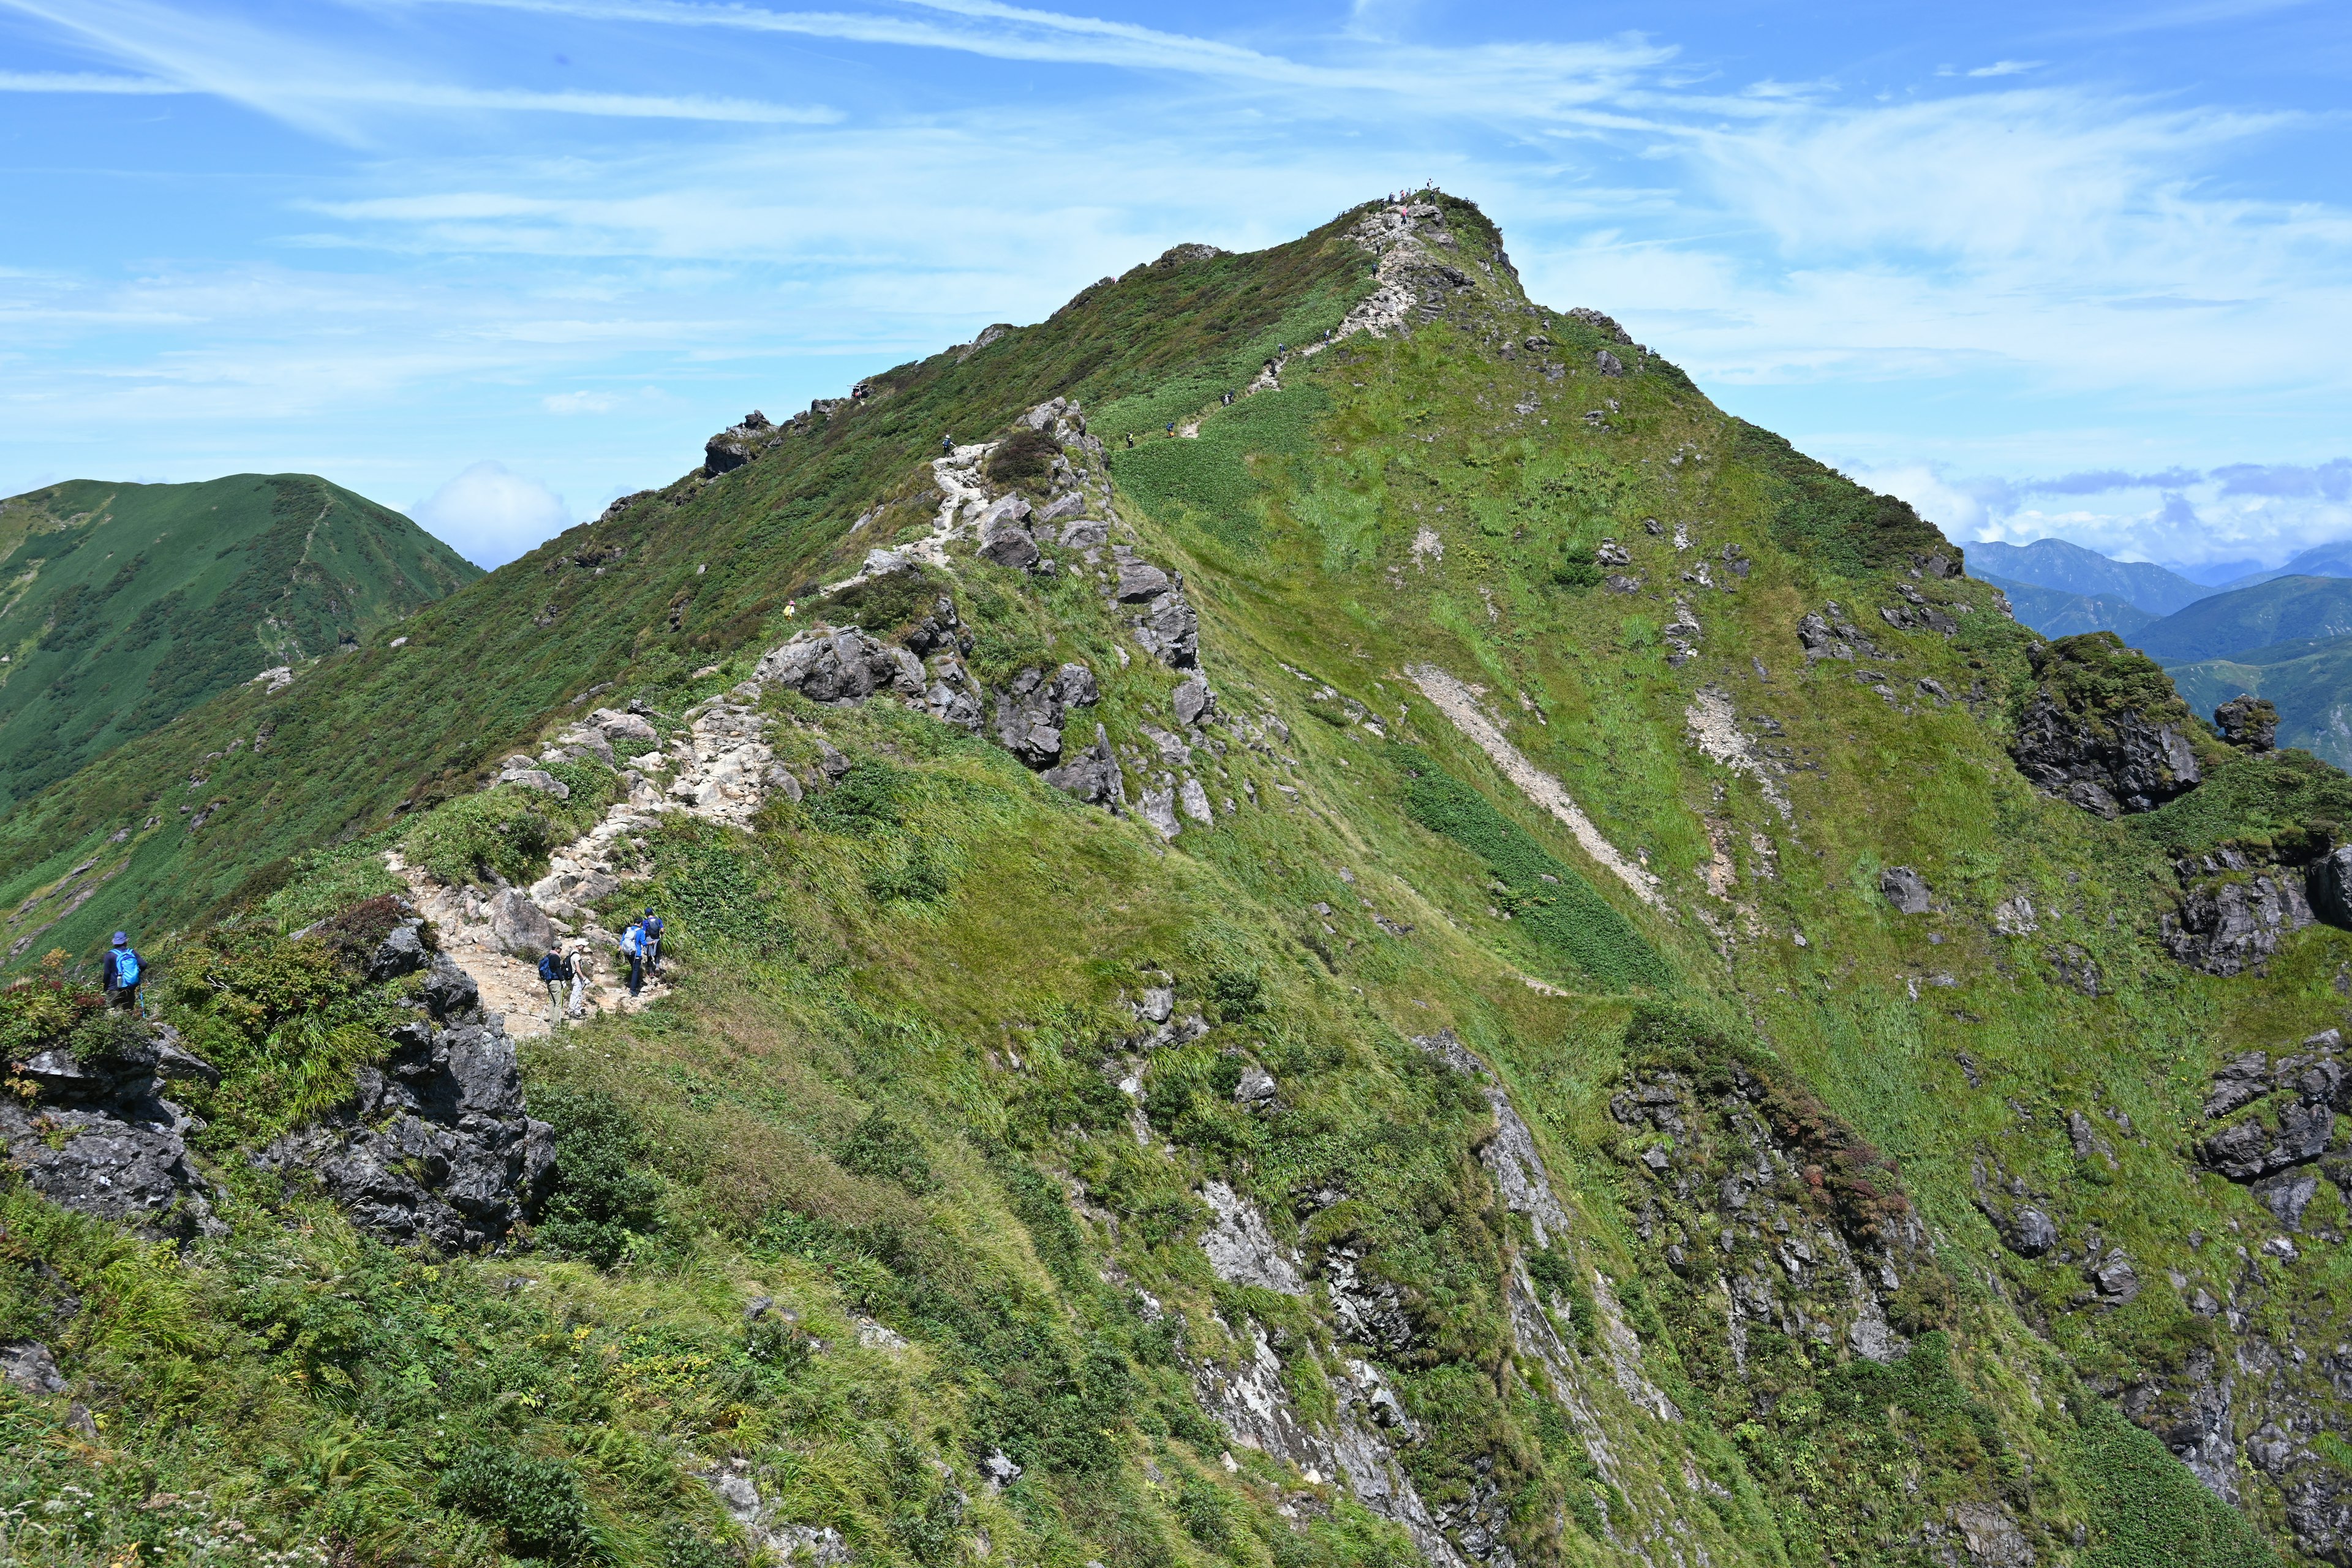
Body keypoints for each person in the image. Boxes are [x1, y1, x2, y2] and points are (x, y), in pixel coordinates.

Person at [101, 932, 143, 1012]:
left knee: (110, 1013)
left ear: (114, 942)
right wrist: (137, 973)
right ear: (126, 941)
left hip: (114, 989)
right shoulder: (132, 952)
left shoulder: (110, 955)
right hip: (129, 988)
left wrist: (105, 986)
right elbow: (144, 964)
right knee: (129, 1012)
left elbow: (107, 973)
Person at [537, 947, 572, 1023]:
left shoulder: (548, 956)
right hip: (556, 982)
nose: (561, 950)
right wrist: (562, 981)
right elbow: (558, 970)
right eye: (560, 949)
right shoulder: (556, 957)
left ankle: (551, 1020)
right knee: (558, 1003)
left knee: (552, 1002)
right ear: (557, 949)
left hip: (549, 982)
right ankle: (556, 1022)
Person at [620, 919, 646, 997]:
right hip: (636, 954)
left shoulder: (627, 929)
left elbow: (622, 941)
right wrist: (651, 943)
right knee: (636, 970)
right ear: (641, 923)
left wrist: (619, 952)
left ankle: (636, 982)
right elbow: (644, 943)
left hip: (628, 953)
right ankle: (633, 990)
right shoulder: (641, 931)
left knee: (633, 967)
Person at [568, 942, 592, 1019]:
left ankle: (571, 1010)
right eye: (583, 945)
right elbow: (578, 969)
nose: (584, 947)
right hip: (577, 978)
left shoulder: (572, 952)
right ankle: (576, 1012)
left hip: (573, 978)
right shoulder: (577, 955)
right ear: (578, 946)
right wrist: (584, 979)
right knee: (577, 995)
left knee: (574, 994)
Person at [641, 907, 665, 974]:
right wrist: (661, 933)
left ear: (646, 914)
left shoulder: (645, 922)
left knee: (649, 956)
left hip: (649, 939)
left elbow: (644, 932)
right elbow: (662, 930)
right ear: (652, 913)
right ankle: (657, 967)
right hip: (657, 939)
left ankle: (651, 972)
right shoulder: (659, 920)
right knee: (657, 955)